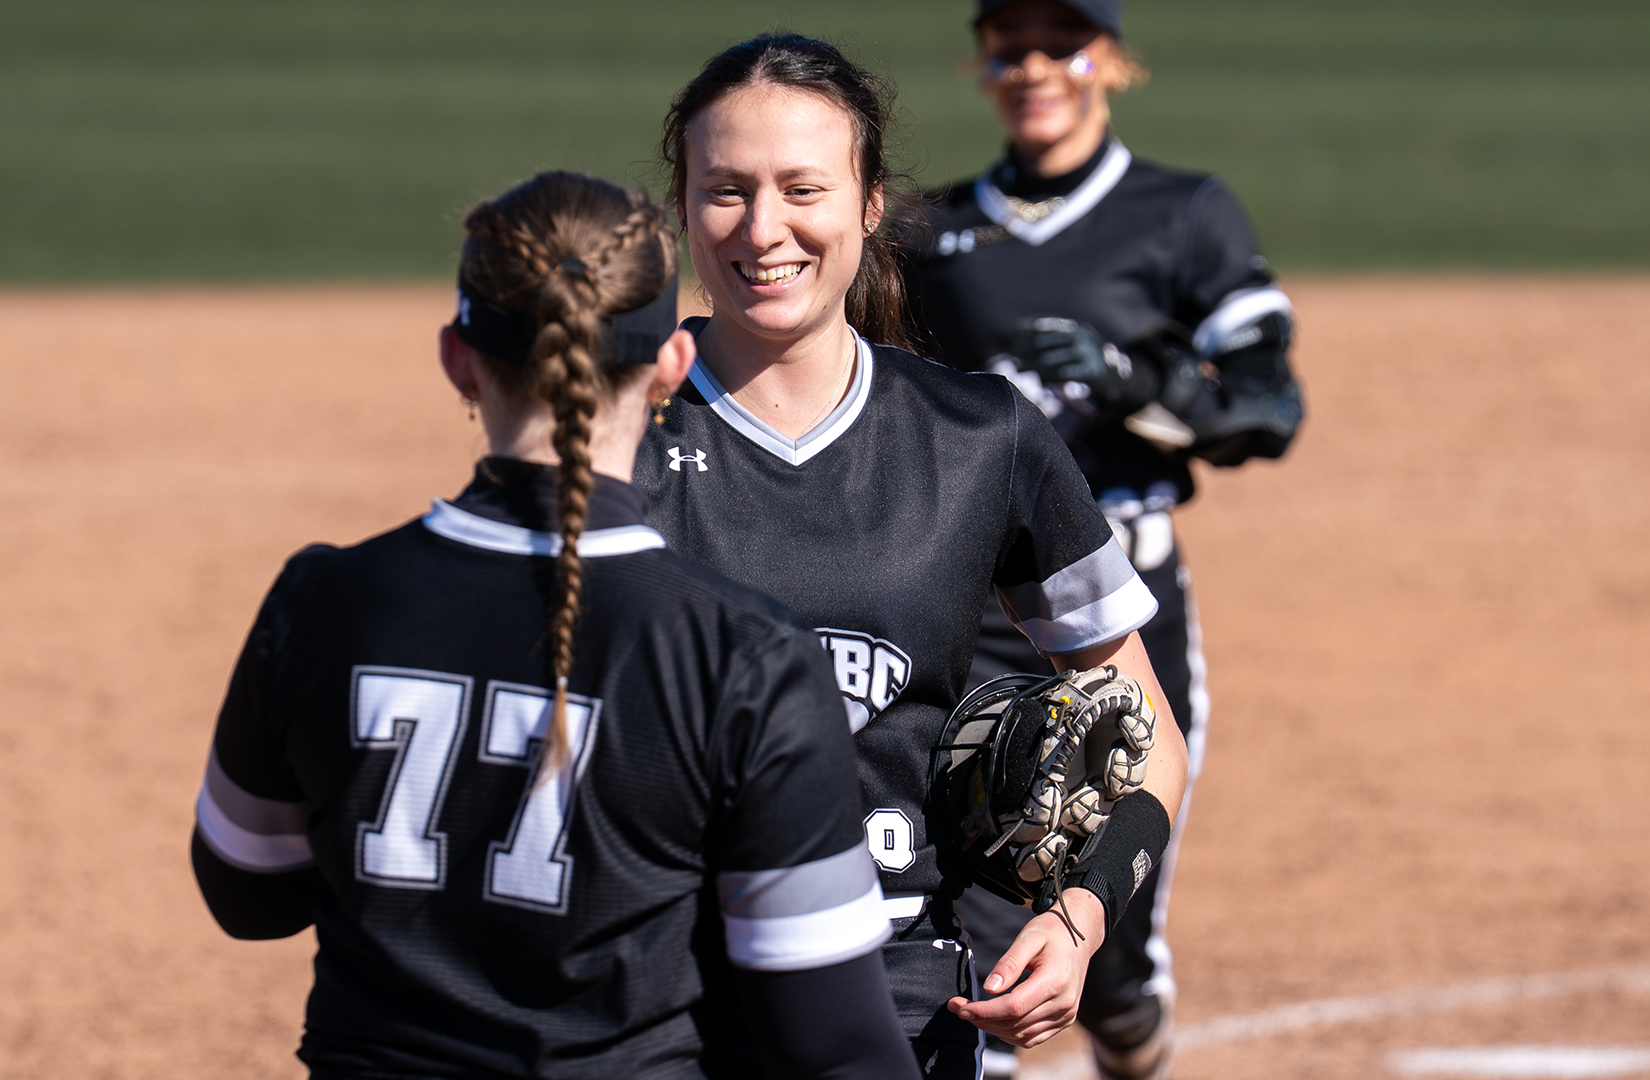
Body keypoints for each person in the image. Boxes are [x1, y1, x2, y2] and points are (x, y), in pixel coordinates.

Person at [189, 170, 923, 1080]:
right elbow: (835, 1045)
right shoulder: (745, 659)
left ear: (458, 358)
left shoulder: (321, 601)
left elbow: (248, 894)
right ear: (669, 370)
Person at [635, 34, 1191, 1080]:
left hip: (895, 996)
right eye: (725, 192)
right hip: (656, 996)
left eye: (803, 188)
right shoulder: (617, 440)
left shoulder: (980, 437)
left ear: (869, 203)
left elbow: (1146, 727)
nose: (765, 230)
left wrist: (1078, 917)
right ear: (680, 205)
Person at [899, 2, 1307, 1077]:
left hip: (1119, 614)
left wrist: (1141, 384)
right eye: (1009, 47)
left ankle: (1132, 1037)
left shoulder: (1182, 216)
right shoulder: (930, 235)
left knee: (1111, 970)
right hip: (967, 620)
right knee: (966, 941)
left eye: (1061, 45)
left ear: (1110, 63)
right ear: (982, 64)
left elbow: (1268, 410)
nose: (1033, 68)